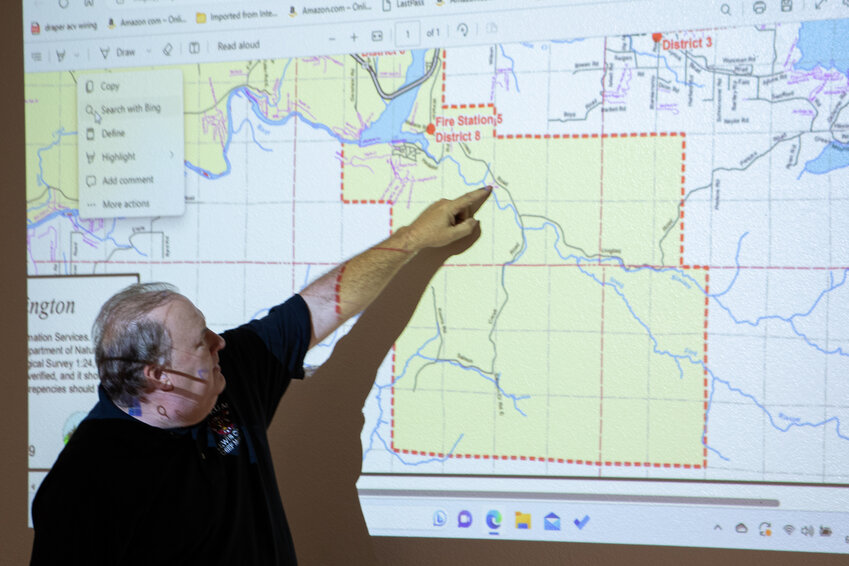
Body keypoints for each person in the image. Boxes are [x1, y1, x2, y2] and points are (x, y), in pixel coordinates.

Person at [30, 187, 492, 565]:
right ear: (159, 376)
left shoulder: (226, 375)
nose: (220, 343)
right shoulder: (86, 486)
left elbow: (316, 309)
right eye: (201, 341)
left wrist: (413, 238)